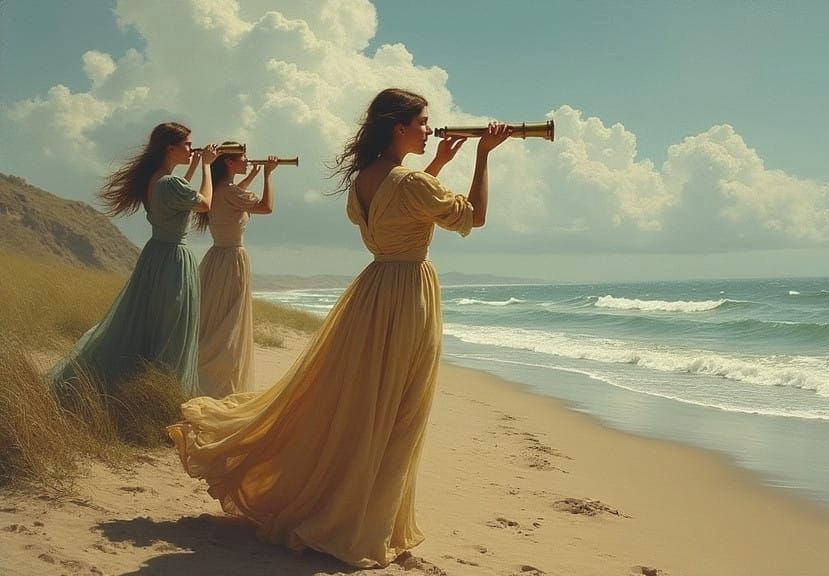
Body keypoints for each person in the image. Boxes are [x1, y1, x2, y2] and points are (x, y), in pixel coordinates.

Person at [167, 88, 511, 567]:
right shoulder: (412, 184)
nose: (430, 131)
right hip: (408, 295)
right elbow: (475, 217)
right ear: (399, 127)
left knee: (363, 404)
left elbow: (402, 207)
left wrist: (437, 166)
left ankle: (353, 508)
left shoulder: (365, 181)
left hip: (373, 293)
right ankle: (365, 523)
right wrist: (482, 157)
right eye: (424, 122)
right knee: (398, 411)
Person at [51, 122, 217, 398]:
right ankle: (163, 397)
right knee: (172, 332)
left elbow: (180, 192)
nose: (192, 148)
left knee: (151, 326)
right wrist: (207, 167)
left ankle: (149, 395)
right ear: (170, 147)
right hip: (174, 259)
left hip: (155, 256)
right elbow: (205, 204)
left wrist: (195, 166)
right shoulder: (169, 183)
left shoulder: (157, 179)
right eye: (187, 144)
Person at [192, 144, 278, 397]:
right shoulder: (229, 191)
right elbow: (266, 207)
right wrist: (268, 174)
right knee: (229, 324)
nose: (247, 161)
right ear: (229, 163)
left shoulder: (220, 189)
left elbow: (236, 195)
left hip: (217, 258)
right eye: (243, 159)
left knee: (215, 320)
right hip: (232, 260)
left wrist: (251, 175)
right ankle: (216, 383)